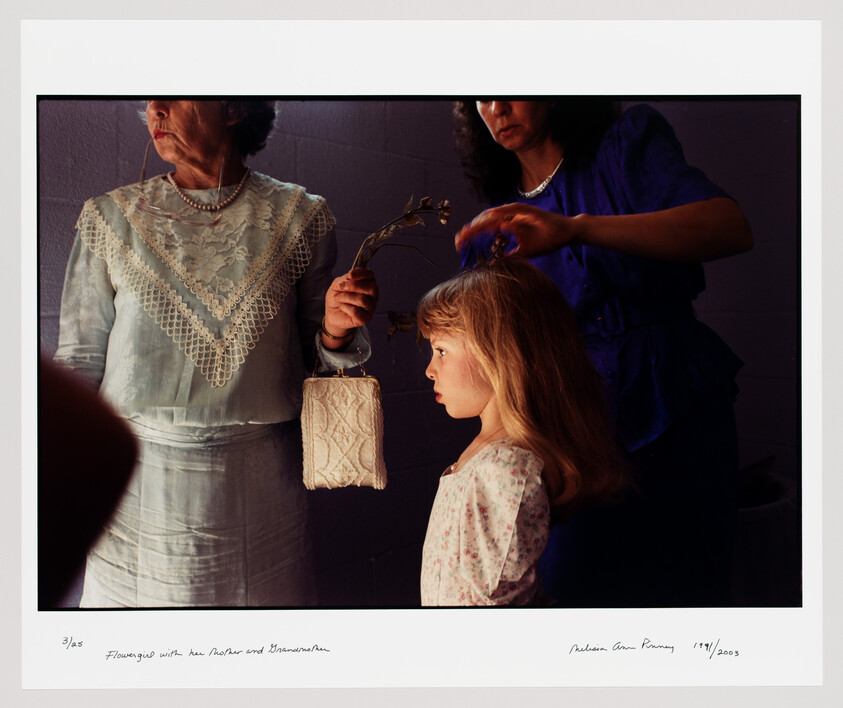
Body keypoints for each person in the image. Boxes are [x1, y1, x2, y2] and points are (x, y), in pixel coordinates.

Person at [54, 100, 378, 607]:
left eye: (176, 92)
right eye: (150, 97)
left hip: (261, 493)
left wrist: (337, 329)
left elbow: (318, 365)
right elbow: (78, 365)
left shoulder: (300, 217)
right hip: (137, 498)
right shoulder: (109, 218)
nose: (154, 109)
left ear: (231, 108)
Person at [452, 99, 753, 607]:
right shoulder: (496, 225)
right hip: (570, 430)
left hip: (674, 403)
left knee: (689, 593)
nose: (497, 107)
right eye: (480, 96)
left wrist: (577, 228)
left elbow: (731, 227)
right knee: (577, 594)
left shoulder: (624, 142)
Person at [415, 258, 626, 606]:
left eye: (441, 351)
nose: (430, 370)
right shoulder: (487, 455)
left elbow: (497, 607)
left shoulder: (508, 470)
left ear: (498, 355)